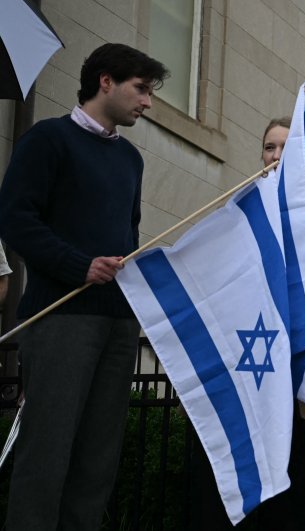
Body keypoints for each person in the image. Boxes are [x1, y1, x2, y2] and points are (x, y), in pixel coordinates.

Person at [0, 43, 166, 530]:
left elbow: (125, 236)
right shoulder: (47, 140)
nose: (148, 102)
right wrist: (79, 266)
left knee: (98, 460)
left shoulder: (131, 160)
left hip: (118, 324)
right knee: (47, 452)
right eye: (141, 89)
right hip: (60, 317)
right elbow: (16, 220)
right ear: (106, 81)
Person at [191, 117, 305, 530]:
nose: (276, 155)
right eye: (269, 147)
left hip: (304, 394)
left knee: (295, 506)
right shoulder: (237, 213)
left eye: (285, 147)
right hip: (248, 383)